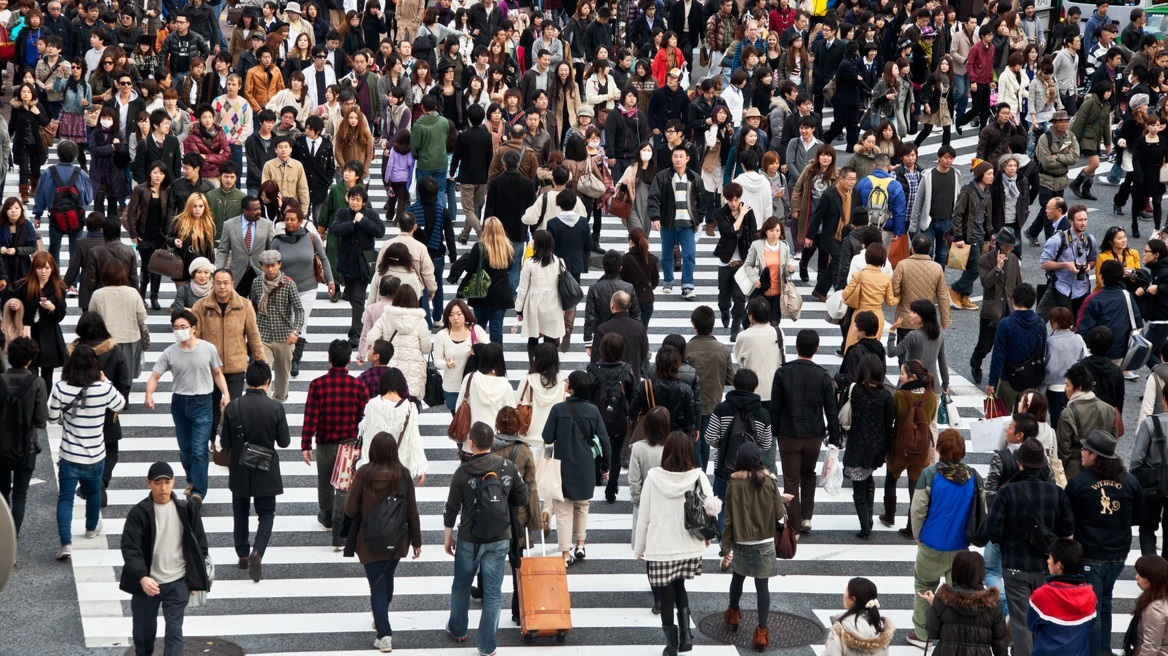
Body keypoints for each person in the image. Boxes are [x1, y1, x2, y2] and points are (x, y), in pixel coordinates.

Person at [444, 421, 528, 656]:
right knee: (493, 593)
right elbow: (523, 499)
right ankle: (487, 646)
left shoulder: (462, 472)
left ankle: (459, 629)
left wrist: (448, 537)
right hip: (500, 537)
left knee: (461, 586)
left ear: (471, 443)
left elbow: (451, 508)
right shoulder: (507, 467)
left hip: (469, 538)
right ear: (492, 442)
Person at [986, 437, 1076, 656]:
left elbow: (993, 532)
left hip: (1015, 566)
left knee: (1020, 621)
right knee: (1045, 617)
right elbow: (1067, 528)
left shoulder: (1006, 493)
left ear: (1019, 463)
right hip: (1047, 567)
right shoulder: (1056, 493)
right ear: (1043, 465)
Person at [1066, 430, 1145, 656]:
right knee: (1106, 603)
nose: (1081, 452)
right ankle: (1105, 649)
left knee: (1093, 609)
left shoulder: (1079, 483)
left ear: (1094, 456)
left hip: (1090, 555)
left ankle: (1096, 652)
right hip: (1118, 555)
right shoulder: (1129, 481)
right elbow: (1141, 516)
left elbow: (1066, 520)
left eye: (1084, 449)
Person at [119, 461, 210, 656]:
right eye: (158, 482)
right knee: (143, 635)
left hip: (178, 582)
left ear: (174, 482)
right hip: (148, 585)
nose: (163, 488)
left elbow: (200, 545)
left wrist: (194, 578)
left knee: (174, 633)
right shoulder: (139, 513)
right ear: (148, 483)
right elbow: (130, 548)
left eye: (167, 482)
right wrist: (142, 577)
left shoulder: (187, 509)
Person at [634, 430, 713, 655]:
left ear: (666, 451)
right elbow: (710, 508)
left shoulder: (653, 478)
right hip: (688, 545)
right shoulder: (698, 476)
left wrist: (639, 549)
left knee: (667, 594)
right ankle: (686, 635)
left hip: (661, 546)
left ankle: (670, 645)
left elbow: (644, 517)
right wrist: (707, 537)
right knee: (681, 587)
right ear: (689, 451)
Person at [905, 429, 984, 648]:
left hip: (932, 544)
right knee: (958, 593)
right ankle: (956, 632)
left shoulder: (929, 475)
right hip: (960, 548)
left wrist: (920, 536)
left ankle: (923, 634)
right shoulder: (974, 476)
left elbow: (918, 509)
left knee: (924, 585)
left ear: (939, 449)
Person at [50, 343, 128, 560]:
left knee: (65, 498)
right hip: (95, 453)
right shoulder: (103, 388)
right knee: (93, 492)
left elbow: (52, 416)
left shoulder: (61, 387)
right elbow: (121, 404)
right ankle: (91, 527)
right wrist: (106, 381)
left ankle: (66, 543)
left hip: (69, 453)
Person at [218, 361, 289, 583]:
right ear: (267, 382)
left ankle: (241, 554)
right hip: (265, 468)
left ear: (248, 380)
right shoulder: (276, 407)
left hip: (239, 467)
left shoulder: (233, 407)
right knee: (266, 513)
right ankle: (257, 551)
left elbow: (225, 442)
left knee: (240, 510)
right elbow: (284, 442)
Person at [301, 339, 369, 548]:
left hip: (324, 444)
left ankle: (327, 516)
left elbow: (310, 417)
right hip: (349, 444)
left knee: (324, 482)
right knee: (343, 487)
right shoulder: (358, 386)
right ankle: (339, 533)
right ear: (349, 360)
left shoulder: (317, 385)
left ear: (329, 358)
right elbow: (363, 418)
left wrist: (306, 444)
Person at [719, 441, 785, 651]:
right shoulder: (770, 482)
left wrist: (725, 547)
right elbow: (779, 515)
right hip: (765, 541)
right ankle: (762, 633)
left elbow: (728, 519)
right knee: (762, 587)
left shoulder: (733, 484)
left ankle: (733, 614)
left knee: (738, 578)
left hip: (741, 541)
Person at [771, 329, 839, 533]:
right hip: (814, 435)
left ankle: (793, 525)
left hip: (788, 434)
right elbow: (831, 411)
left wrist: (774, 431)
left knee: (791, 479)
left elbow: (776, 407)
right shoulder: (823, 376)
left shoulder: (782, 373)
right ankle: (807, 517)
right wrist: (834, 437)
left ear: (796, 347)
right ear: (816, 349)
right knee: (808, 474)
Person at [543, 369, 610, 565]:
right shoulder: (594, 411)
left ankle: (565, 553)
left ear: (571, 388)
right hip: (585, 466)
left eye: (567, 381)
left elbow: (547, 438)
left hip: (562, 467)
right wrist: (605, 465)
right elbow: (604, 441)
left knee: (563, 511)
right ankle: (581, 544)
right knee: (582, 505)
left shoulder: (558, 409)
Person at [192, 268, 265, 441]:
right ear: (212, 283)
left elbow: (254, 336)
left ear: (232, 284)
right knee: (210, 407)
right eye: (218, 282)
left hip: (235, 367)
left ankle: (229, 441)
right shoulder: (201, 306)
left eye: (226, 283)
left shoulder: (244, 305)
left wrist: (262, 363)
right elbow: (195, 337)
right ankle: (209, 439)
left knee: (232, 407)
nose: (222, 286)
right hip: (209, 369)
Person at [881, 360, 939, 536]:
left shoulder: (899, 396)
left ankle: (889, 515)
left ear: (912, 377)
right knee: (915, 486)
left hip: (900, 447)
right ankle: (912, 526)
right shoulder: (931, 398)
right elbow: (930, 420)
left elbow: (891, 420)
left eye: (902, 373)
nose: (900, 376)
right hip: (921, 449)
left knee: (891, 478)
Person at [842, 355, 894, 540]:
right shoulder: (886, 395)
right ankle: (869, 518)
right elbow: (889, 424)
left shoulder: (855, 391)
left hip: (857, 444)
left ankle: (865, 525)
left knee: (858, 485)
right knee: (868, 477)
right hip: (877, 446)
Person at [0, 337, 47, 535]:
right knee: (20, 495)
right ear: (30, 359)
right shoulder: (37, 382)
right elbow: (41, 420)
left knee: (2, 496)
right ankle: (12, 543)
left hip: (0, 446)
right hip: (26, 446)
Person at [920, 550, 1009, 655]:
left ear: (956, 570)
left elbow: (932, 632)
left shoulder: (943, 599)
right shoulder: (992, 603)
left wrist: (934, 604)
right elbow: (999, 641)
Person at [646, 144, 705, 299]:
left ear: (687, 159)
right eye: (675, 156)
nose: (678, 159)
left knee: (689, 254)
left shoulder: (694, 178)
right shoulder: (662, 176)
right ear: (672, 158)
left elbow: (702, 201)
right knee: (666, 254)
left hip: (687, 224)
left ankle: (687, 285)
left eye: (681, 156)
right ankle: (668, 280)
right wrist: (655, 217)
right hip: (668, 222)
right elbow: (654, 197)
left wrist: (699, 219)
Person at [332, 186, 386, 346]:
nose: (355, 202)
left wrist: (363, 221)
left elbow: (380, 231)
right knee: (350, 295)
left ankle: (355, 333)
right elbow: (335, 229)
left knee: (358, 297)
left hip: (363, 264)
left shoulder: (370, 214)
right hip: (347, 263)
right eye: (352, 199)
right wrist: (352, 224)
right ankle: (360, 322)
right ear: (347, 198)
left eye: (358, 200)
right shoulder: (342, 213)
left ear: (363, 202)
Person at [355, 366, 427, 486]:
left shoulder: (372, 405)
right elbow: (414, 439)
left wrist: (365, 464)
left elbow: (367, 437)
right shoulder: (410, 408)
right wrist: (421, 468)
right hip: (400, 467)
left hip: (374, 468)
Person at [1028, 538, 1099, 656]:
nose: (1047, 561)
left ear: (1059, 564)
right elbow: (1091, 623)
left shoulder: (1040, 595)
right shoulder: (1091, 595)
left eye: (1050, 557)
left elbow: (1031, 625)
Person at [249, 250, 304, 402]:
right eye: (266, 266)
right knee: (263, 373)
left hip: (284, 337)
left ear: (279, 264)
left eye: (273, 265)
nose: (270, 269)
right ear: (261, 266)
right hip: (262, 336)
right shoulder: (256, 283)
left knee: (283, 374)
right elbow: (252, 306)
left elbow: (299, 310)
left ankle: (279, 402)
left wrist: (295, 330)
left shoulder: (288, 283)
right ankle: (264, 403)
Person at [972, 228, 1023, 386]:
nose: (1009, 249)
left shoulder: (1014, 259)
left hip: (1010, 309)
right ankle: (975, 362)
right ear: (999, 244)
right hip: (992, 311)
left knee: (1008, 346)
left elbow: (1018, 282)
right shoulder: (985, 260)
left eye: (1011, 246)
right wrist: (998, 268)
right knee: (985, 346)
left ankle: (1003, 374)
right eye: (1007, 246)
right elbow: (986, 283)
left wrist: (1020, 304)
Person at [806, 165, 863, 302]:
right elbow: (817, 216)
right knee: (839, 260)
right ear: (841, 179)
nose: (852, 182)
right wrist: (810, 236)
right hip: (830, 235)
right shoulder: (829, 194)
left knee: (837, 262)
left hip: (847, 234)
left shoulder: (855, 193)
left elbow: (857, 212)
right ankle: (840, 294)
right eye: (849, 179)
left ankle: (820, 290)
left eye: (854, 179)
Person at [367, 285, 431, 404]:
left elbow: (371, 338)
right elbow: (426, 349)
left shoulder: (386, 317)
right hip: (413, 371)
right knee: (410, 410)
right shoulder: (421, 321)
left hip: (390, 368)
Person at [14, 252, 68, 392]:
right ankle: (32, 402)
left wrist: (52, 308)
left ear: (53, 269)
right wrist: (15, 306)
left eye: (47, 268)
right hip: (29, 334)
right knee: (30, 373)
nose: (43, 272)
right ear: (34, 269)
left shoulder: (59, 288)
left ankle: (43, 405)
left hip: (49, 335)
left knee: (47, 375)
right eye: (39, 268)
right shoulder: (23, 286)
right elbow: (14, 308)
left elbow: (60, 315)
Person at [455, 217, 514, 344]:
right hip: (501, 292)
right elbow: (509, 267)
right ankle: (496, 358)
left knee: (479, 327)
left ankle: (479, 356)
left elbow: (470, 268)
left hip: (481, 292)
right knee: (497, 327)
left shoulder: (479, 247)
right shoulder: (507, 247)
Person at [1057, 363, 1119, 479]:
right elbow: (1112, 439)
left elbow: (1063, 450)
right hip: (1103, 469)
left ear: (1078, 388)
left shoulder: (1068, 413)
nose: (1065, 389)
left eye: (1067, 385)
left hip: (1074, 470)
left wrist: (1059, 476)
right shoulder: (1109, 409)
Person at [948, 161, 995, 312]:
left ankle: (963, 295)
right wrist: (959, 236)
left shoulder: (987, 192)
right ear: (980, 174)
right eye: (989, 174)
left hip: (981, 234)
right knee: (975, 268)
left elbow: (987, 216)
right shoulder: (967, 191)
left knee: (970, 266)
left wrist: (990, 234)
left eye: (992, 174)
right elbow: (957, 215)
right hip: (970, 236)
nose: (992, 176)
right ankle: (955, 289)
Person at [1038, 204, 1098, 320]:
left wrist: (1088, 267)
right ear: (1071, 221)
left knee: (1078, 327)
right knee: (1041, 320)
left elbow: (1093, 259)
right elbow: (1043, 263)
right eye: (1080, 220)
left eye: (1085, 220)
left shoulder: (1090, 239)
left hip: (1082, 289)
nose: (1083, 223)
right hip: (1061, 288)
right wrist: (1066, 264)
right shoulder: (1057, 240)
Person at [891, 234, 951, 346]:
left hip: (905, 319)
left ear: (912, 249)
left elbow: (894, 289)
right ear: (929, 249)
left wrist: (898, 297)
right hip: (926, 320)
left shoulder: (902, 265)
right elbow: (942, 295)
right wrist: (945, 320)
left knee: (904, 354)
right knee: (923, 356)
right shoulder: (937, 267)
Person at [432, 299, 489, 412]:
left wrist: (476, 351)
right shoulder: (442, 335)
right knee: (459, 422)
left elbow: (490, 352)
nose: (455, 318)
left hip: (475, 384)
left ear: (465, 314)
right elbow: (437, 360)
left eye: (459, 314)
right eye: (451, 315)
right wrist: (446, 364)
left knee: (475, 420)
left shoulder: (476, 330)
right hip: (452, 386)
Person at [1132, 386, 1168, 558]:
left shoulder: (1151, 423)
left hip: (1152, 484)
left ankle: (1151, 570)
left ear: (1164, 399)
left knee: (1147, 526)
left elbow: (1137, 459)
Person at [842, 243, 898, 351]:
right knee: (872, 350)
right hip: (877, 315)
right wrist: (899, 297)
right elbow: (890, 301)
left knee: (853, 349)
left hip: (860, 313)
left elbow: (845, 295)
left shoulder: (859, 275)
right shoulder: (886, 278)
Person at [824, 578, 896, 656]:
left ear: (852, 599)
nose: (844, 595)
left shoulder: (839, 629)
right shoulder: (882, 628)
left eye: (846, 591)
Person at [1126, 555, 1168, 655]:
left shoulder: (1155, 607)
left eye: (1141, 574)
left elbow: (1150, 646)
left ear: (1153, 577)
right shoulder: (1161, 599)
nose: (1136, 577)